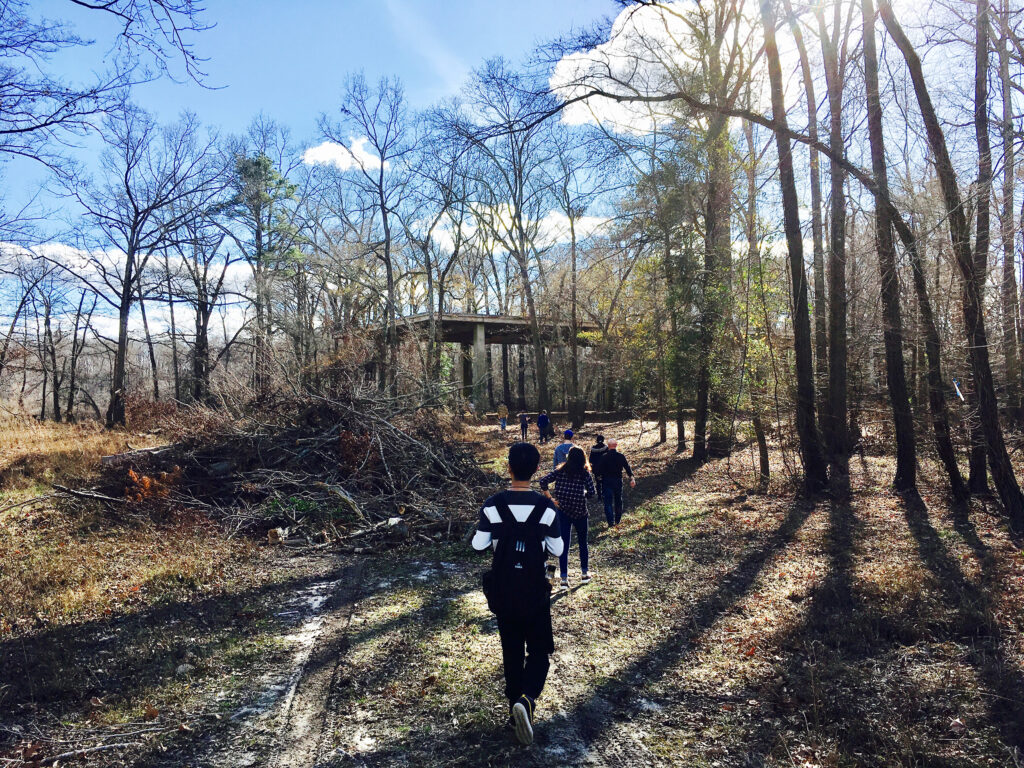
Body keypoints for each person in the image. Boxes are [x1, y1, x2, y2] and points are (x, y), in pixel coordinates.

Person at [472, 442, 563, 746]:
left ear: (508, 468)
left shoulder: (492, 505)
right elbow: (558, 549)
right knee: (539, 652)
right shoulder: (546, 508)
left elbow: (478, 545)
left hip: (503, 591)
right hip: (535, 591)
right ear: (537, 469)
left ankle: (514, 713)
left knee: (511, 651)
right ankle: (527, 700)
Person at [538, 446, 596, 588]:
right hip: (580, 512)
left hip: (562, 511)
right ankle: (584, 573)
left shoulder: (560, 471)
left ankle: (564, 578)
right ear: (583, 458)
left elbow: (543, 482)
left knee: (563, 545)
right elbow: (592, 492)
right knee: (583, 544)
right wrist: (584, 495)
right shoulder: (584, 474)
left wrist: (551, 499)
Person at [594, 438, 635, 527]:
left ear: (608, 446)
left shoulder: (604, 457)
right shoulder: (621, 456)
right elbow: (627, 468)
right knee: (618, 500)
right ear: (616, 445)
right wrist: (632, 478)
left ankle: (610, 522)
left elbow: (598, 470)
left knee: (608, 502)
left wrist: (598, 477)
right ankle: (617, 520)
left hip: (607, 481)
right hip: (618, 480)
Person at [588, 434, 609, 498]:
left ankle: (599, 495)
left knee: (598, 482)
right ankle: (604, 494)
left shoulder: (593, 449)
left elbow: (590, 459)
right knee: (604, 481)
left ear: (596, 440)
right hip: (605, 468)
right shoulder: (606, 448)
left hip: (596, 468)